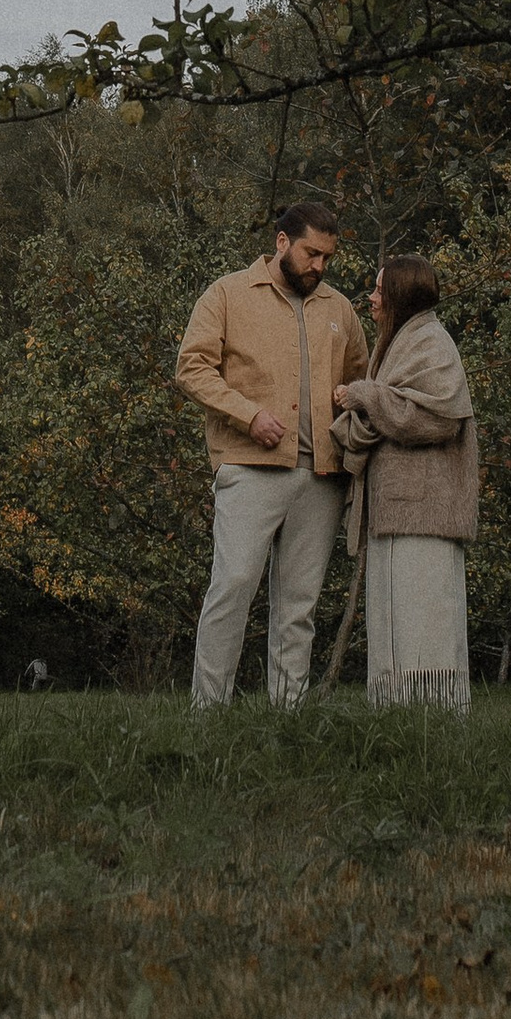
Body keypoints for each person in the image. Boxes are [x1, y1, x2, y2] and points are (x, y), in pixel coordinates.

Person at [176, 198, 369, 709]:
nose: (319, 266)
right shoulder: (227, 294)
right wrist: (248, 415)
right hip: (248, 468)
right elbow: (191, 368)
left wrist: (348, 407)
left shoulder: (340, 309)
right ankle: (207, 711)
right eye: (311, 254)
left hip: (323, 475)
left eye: (327, 257)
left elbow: (362, 379)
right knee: (233, 586)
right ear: (282, 242)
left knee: (299, 606)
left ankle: (287, 714)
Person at [332, 254, 479, 710]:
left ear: (400, 295)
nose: (372, 298)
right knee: (395, 616)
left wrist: (364, 394)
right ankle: (396, 714)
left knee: (424, 618)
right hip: (397, 508)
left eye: (380, 290)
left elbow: (437, 420)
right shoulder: (396, 342)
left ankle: (432, 714)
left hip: (425, 510)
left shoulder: (432, 342)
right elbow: (394, 410)